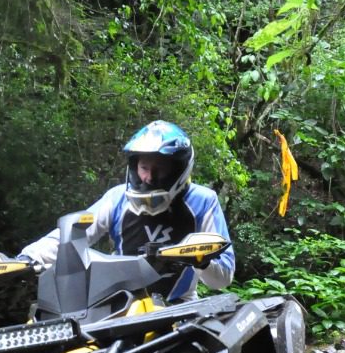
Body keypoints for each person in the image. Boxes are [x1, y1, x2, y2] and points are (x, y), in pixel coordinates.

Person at [18, 120, 235, 302]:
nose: (149, 177)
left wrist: (201, 260)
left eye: (159, 169)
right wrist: (28, 258)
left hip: (179, 307)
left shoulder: (202, 201)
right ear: (134, 167)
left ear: (178, 168)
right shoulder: (117, 198)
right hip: (122, 305)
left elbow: (223, 278)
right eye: (144, 168)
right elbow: (73, 235)